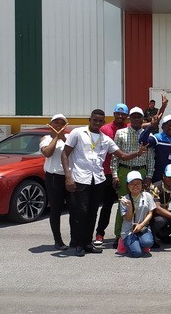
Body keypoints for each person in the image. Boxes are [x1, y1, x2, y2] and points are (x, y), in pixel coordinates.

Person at [61, 109, 148, 257]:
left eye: (100, 121)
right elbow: (65, 153)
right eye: (95, 120)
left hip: (98, 180)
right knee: (81, 212)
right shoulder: (77, 133)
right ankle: (79, 243)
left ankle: (88, 243)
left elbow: (122, 156)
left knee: (93, 212)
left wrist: (138, 154)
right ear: (90, 119)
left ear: (103, 122)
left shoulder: (105, 139)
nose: (97, 123)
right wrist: (68, 176)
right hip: (80, 179)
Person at [110, 106, 155, 250]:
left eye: (139, 117)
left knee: (142, 204)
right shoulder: (120, 133)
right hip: (124, 170)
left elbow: (150, 157)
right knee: (123, 204)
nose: (136, 119)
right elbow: (115, 156)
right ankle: (119, 235)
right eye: (133, 116)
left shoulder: (148, 134)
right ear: (130, 118)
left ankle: (140, 231)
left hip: (140, 171)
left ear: (143, 119)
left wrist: (148, 176)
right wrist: (115, 175)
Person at [94, 103, 128, 248]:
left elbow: (144, 125)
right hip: (106, 174)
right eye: (118, 113)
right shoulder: (104, 129)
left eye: (123, 114)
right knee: (106, 206)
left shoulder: (129, 129)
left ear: (126, 116)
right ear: (113, 114)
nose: (120, 116)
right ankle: (99, 233)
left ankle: (121, 235)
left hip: (124, 173)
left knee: (125, 206)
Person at [39, 114, 71, 250]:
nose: (58, 125)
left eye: (61, 123)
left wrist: (62, 135)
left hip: (69, 177)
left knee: (74, 208)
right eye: (55, 122)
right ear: (50, 124)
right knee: (56, 209)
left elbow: (72, 151)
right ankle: (58, 240)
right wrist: (56, 136)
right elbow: (47, 153)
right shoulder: (46, 139)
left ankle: (75, 239)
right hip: (53, 178)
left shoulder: (69, 138)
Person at [119, 171, 156, 258]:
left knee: (148, 242)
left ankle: (140, 241)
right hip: (129, 230)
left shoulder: (147, 196)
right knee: (137, 253)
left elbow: (150, 213)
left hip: (142, 227)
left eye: (138, 183)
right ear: (128, 185)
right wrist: (129, 207)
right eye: (132, 183)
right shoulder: (125, 199)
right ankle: (123, 241)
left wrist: (141, 225)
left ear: (142, 184)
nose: (135, 186)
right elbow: (128, 219)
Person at [140, 114, 171, 184]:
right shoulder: (157, 138)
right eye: (168, 124)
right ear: (162, 127)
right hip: (159, 175)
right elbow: (142, 141)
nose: (170, 127)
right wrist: (150, 127)